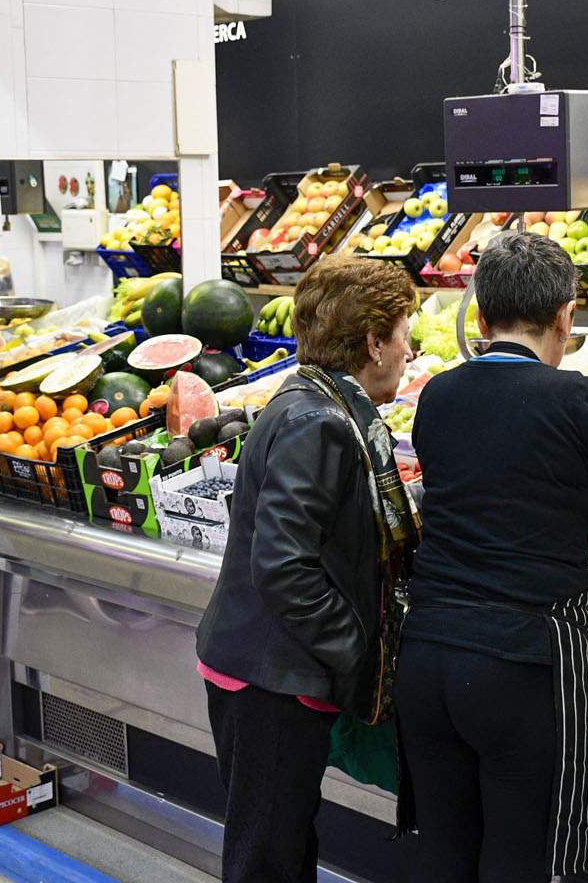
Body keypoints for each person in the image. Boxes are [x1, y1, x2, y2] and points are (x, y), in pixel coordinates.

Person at [396, 232, 588, 882]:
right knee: (524, 865)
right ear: (566, 318)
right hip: (523, 664)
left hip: (428, 655)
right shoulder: (576, 400)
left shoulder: (437, 395)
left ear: (483, 320)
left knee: (444, 857)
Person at [195, 254, 419, 882]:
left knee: (284, 842)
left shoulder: (317, 405)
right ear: (373, 343)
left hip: (270, 668)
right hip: (269, 680)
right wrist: (355, 652)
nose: (409, 349)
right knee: (268, 855)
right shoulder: (317, 423)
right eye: (402, 333)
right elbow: (285, 566)